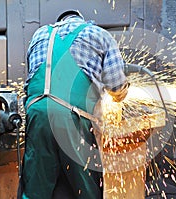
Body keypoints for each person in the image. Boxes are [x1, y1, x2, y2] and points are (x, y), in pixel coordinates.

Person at [18, 10, 129, 199]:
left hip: (37, 116)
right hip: (73, 120)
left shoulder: (40, 35)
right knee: (85, 188)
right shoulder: (98, 34)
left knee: (36, 188)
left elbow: (32, 84)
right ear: (81, 20)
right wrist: (120, 95)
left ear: (59, 21)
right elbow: (116, 86)